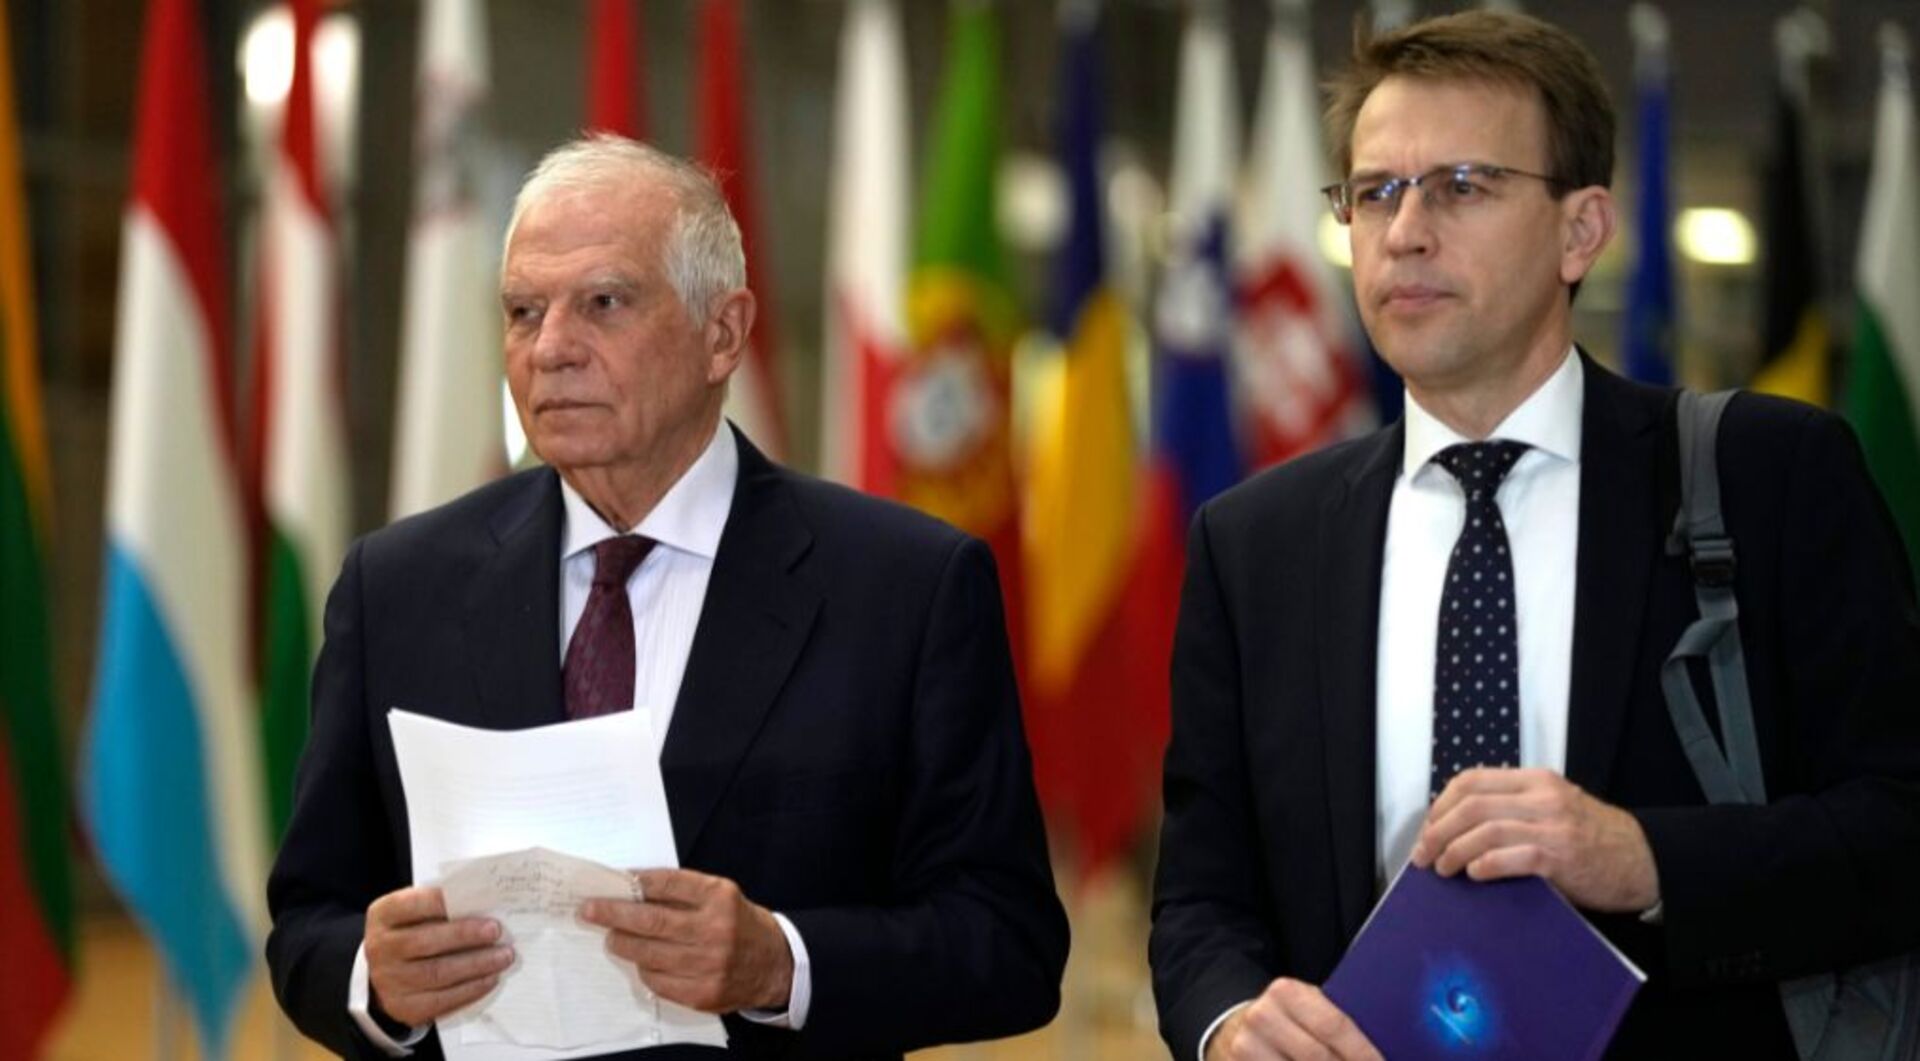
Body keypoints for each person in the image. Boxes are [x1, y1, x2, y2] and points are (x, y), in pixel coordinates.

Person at [1148, 11, 1920, 1060]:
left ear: (1581, 230)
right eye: (1375, 192)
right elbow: (1200, 899)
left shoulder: (1769, 477)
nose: (1405, 230)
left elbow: (1900, 824)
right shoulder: (1256, 544)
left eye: (1462, 185)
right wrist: (1231, 1022)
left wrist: (1642, 856)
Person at [266, 135, 1067, 1060]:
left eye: (603, 303)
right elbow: (309, 923)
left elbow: (1009, 940)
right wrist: (375, 981)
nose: (550, 349)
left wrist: (783, 963)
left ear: (722, 333)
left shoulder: (906, 588)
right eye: (523, 311)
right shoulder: (396, 586)